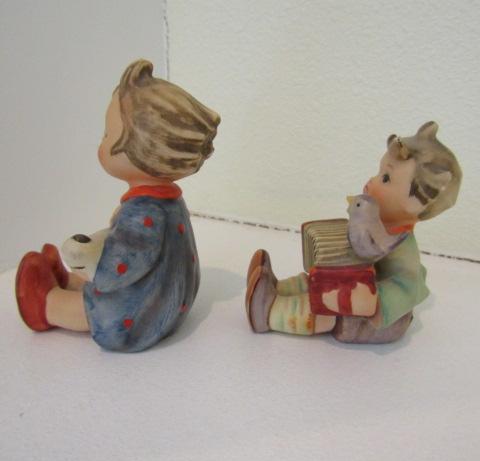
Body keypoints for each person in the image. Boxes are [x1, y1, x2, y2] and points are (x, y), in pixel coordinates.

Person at [16, 59, 220, 352]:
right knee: (99, 283)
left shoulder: (147, 213)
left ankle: (45, 304)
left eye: (107, 135)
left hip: (137, 318)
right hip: (165, 302)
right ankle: (69, 281)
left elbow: (120, 266)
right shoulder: (165, 202)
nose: (101, 144)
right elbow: (130, 244)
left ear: (143, 150)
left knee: (101, 308)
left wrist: (86, 257)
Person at [246, 121, 462, 343]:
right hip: (358, 289)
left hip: (380, 321)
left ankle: (271, 312)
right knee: (321, 280)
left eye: (385, 178)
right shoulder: (375, 224)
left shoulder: (404, 251)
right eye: (378, 172)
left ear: (416, 204)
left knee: (328, 308)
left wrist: (372, 298)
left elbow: (408, 288)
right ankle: (278, 287)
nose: (371, 181)